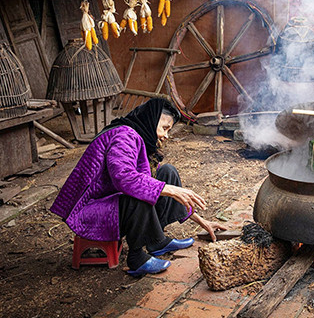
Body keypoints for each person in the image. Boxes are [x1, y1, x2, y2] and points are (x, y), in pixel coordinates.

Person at [51, 98, 226, 276]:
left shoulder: (135, 136)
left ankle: (157, 241)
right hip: (89, 209)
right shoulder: (124, 135)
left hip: (109, 199)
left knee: (166, 172)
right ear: (151, 119)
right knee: (139, 192)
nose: (166, 136)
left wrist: (202, 222)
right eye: (165, 128)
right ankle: (136, 258)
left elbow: (149, 181)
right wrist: (170, 190)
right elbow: (124, 178)